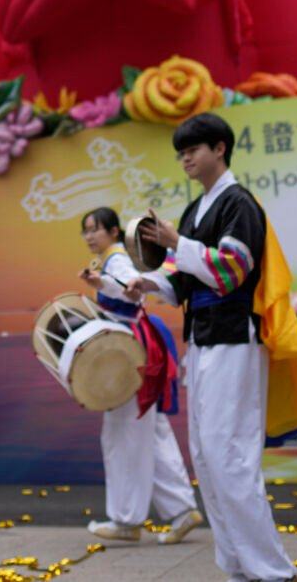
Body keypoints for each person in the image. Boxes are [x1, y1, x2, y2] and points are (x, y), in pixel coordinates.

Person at [128, 113, 297, 582]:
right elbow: (183, 281)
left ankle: (274, 572)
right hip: (202, 340)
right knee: (206, 455)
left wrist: (175, 242)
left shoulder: (239, 204)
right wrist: (147, 283)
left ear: (219, 148)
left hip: (234, 336)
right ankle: (239, 566)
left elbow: (231, 271)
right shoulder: (193, 211)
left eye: (193, 149)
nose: (185, 158)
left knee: (230, 456)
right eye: (180, 152)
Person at [77, 206, 202, 545]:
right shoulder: (112, 259)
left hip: (127, 353)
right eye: (85, 231)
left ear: (114, 232)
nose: (90, 236)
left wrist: (101, 282)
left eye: (95, 229)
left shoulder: (116, 260)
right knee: (149, 432)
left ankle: (126, 520)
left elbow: (132, 291)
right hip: (136, 348)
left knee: (123, 435)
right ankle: (181, 511)